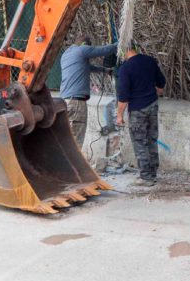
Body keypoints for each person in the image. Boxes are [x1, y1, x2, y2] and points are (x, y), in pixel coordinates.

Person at [115, 47, 166, 186]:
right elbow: (161, 83)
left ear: (123, 51)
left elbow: (123, 98)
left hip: (138, 109)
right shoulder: (150, 61)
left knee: (139, 142)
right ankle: (153, 172)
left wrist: (119, 116)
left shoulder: (125, 68)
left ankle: (145, 177)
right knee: (151, 139)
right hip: (153, 105)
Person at [60, 35, 117, 146]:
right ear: (85, 44)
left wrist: (105, 70)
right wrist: (120, 43)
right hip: (76, 103)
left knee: (68, 138)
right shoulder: (82, 49)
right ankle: (75, 163)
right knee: (77, 139)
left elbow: (87, 67)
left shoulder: (66, 54)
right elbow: (104, 50)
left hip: (65, 102)